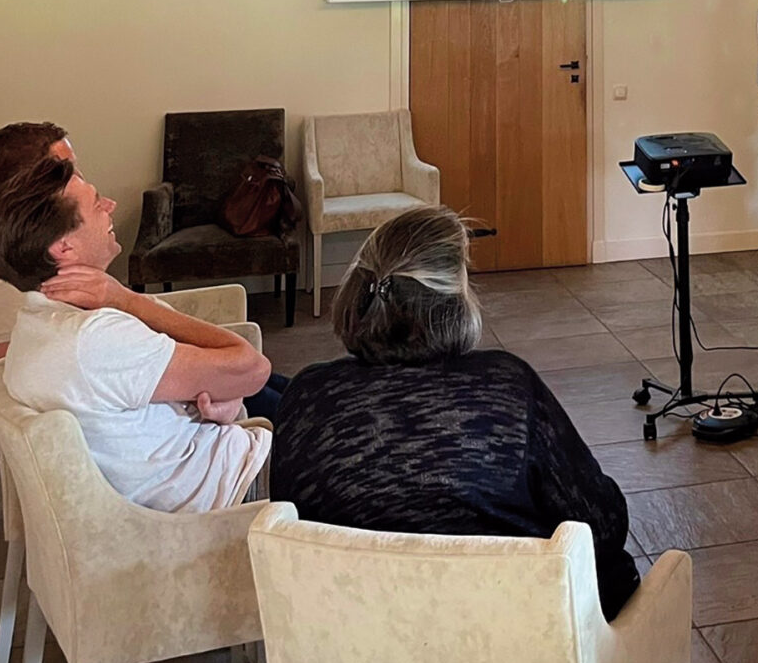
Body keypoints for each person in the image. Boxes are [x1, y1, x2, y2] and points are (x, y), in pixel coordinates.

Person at [270, 207, 640, 620]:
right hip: (508, 635)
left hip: (347, 641)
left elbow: (293, 542)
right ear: (452, 299)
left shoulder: (305, 396)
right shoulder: (507, 387)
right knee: (614, 571)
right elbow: (601, 526)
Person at [0, 156, 275, 512]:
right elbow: (254, 368)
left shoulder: (34, 324)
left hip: (215, 459)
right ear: (64, 247)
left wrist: (218, 401)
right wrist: (126, 299)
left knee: (315, 389)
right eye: (96, 202)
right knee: (330, 407)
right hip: (238, 488)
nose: (111, 205)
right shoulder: (92, 338)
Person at [0, 122, 74, 368]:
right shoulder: (11, 280)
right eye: (70, 177)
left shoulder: (9, 251)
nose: (85, 186)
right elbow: (13, 377)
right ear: (29, 196)